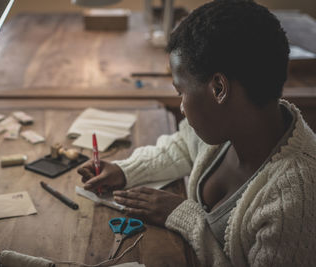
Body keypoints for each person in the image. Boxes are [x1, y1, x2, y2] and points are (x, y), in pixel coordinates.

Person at [77, 0, 316, 266]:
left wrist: (184, 216)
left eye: (181, 92)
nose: (181, 106)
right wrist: (125, 170)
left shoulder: (294, 200)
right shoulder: (241, 124)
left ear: (218, 89)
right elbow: (183, 145)